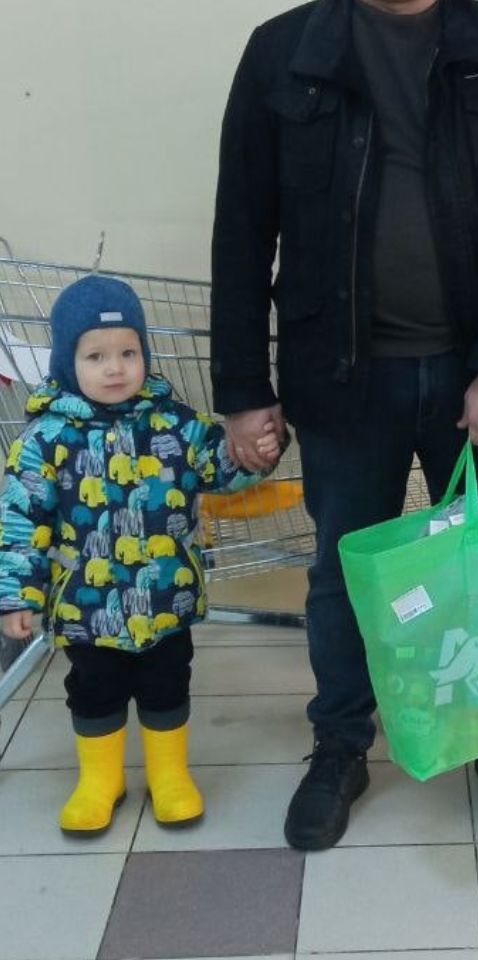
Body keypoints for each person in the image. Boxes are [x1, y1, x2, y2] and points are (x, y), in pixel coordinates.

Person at [210, 0, 478, 850]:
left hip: (474, 379)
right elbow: (242, 232)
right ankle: (339, 743)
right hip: (342, 378)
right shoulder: (283, 53)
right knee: (342, 577)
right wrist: (243, 389)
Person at [0, 275, 281, 834]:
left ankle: (169, 775)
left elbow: (221, 468)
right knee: (93, 689)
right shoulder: (44, 441)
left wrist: (255, 452)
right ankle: (99, 780)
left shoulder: (175, 424)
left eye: (128, 353)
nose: (115, 368)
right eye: (96, 356)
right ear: (66, 361)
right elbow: (21, 522)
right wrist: (16, 595)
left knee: (167, 682)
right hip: (86, 605)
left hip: (166, 596)